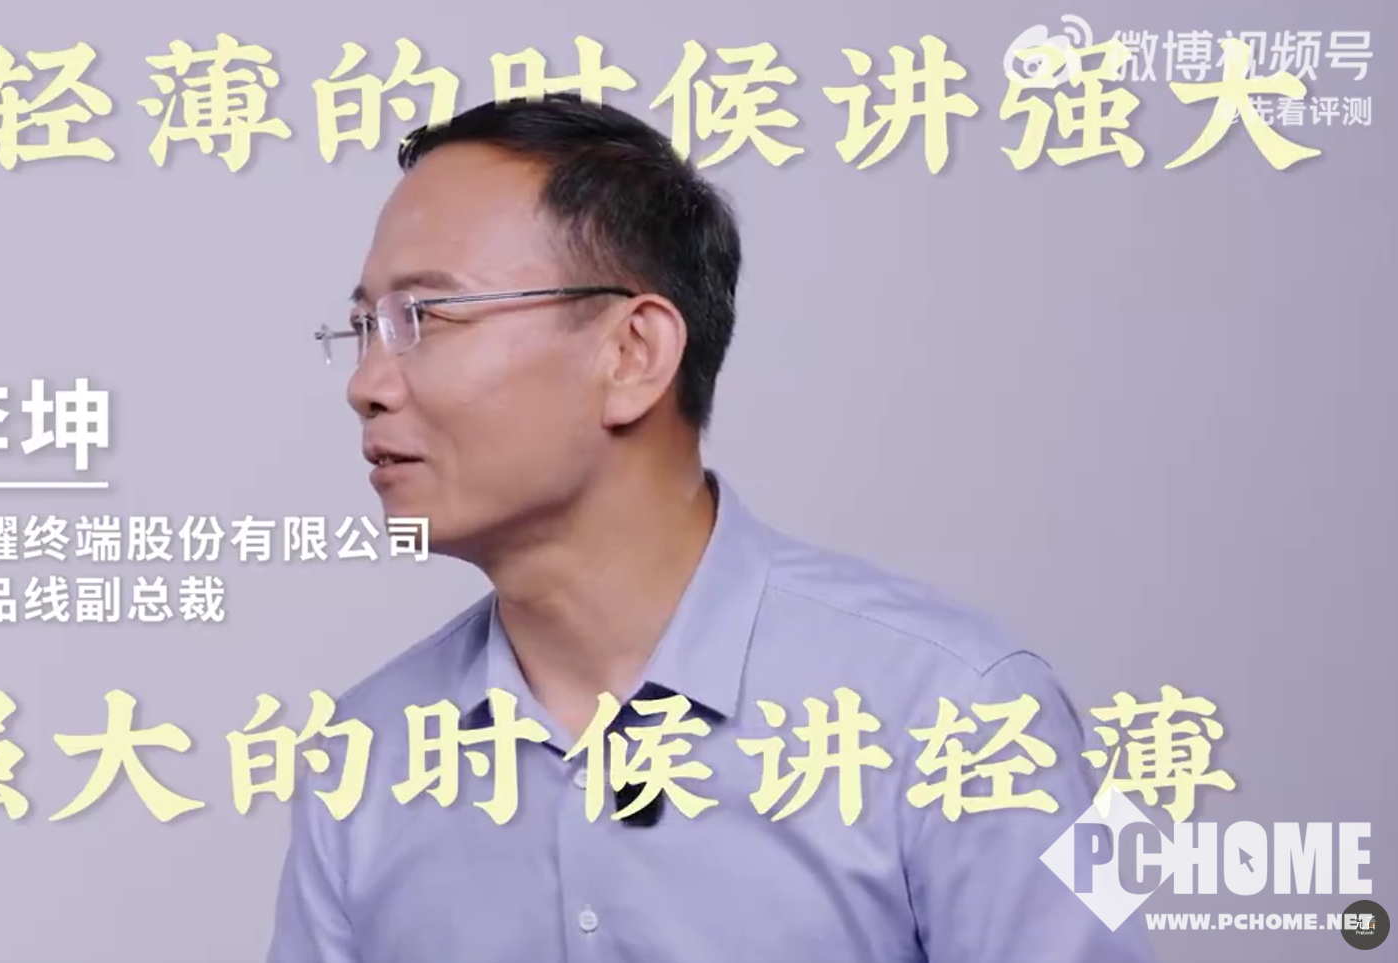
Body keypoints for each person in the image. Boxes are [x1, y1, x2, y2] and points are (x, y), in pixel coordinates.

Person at [270, 93, 1156, 963]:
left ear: (633, 353)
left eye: (424, 317)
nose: (365, 384)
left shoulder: (963, 708)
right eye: (363, 327)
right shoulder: (367, 757)